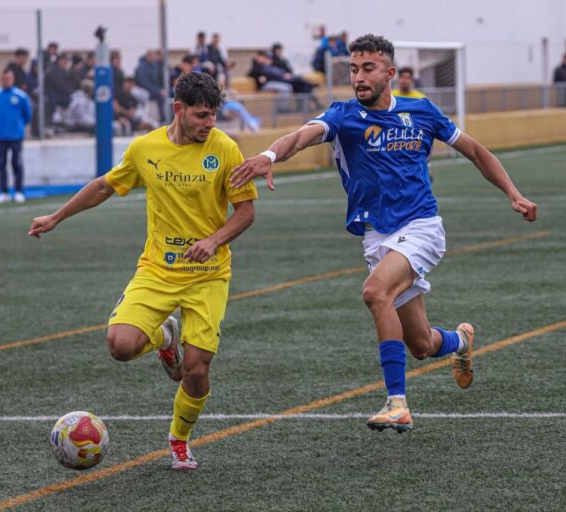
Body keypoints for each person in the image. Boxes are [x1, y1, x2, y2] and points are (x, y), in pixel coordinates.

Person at [230, 34, 537, 432]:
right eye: (353, 69)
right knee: (422, 344)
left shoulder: (421, 111)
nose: (359, 77)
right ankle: (460, 341)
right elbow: (300, 137)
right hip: (377, 236)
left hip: (421, 227)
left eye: (368, 68)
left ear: (389, 73)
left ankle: (397, 404)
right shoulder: (342, 115)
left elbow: (476, 151)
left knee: (375, 292)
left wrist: (513, 193)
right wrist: (270, 155)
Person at [27, 72, 258, 470]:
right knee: (120, 346)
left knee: (196, 370)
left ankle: (179, 439)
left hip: (208, 274)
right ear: (179, 109)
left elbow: (246, 212)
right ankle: (165, 337)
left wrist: (213, 240)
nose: (210, 123)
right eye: (202, 115)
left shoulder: (225, 149)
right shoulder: (145, 148)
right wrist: (56, 216)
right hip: (157, 271)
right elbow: (105, 186)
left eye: (213, 115)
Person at [0, 70, 32, 204]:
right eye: (4, 79)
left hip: (16, 136)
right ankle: (4, 192)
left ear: (13, 79)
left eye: (9, 78)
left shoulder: (21, 96)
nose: (6, 81)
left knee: (16, 163)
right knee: (1, 164)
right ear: (1, 80)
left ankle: (19, 191)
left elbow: (27, 115)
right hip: (1, 136)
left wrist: (17, 126)